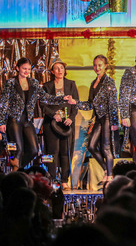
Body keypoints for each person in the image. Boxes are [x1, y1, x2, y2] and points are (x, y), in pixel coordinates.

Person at [0, 57, 69, 170]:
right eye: (24, 68)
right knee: (18, 149)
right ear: (17, 68)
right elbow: (3, 103)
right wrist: (2, 122)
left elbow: (45, 98)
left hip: (27, 120)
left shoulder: (34, 83)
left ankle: (18, 170)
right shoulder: (10, 83)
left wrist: (62, 98)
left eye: (28, 69)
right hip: (14, 120)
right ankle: (17, 172)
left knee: (34, 150)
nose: (26, 71)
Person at [68, 55, 119, 186]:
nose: (97, 68)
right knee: (91, 146)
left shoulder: (109, 82)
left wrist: (114, 122)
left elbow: (113, 103)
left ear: (105, 66)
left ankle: (109, 176)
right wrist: (76, 102)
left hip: (107, 117)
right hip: (98, 118)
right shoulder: (93, 83)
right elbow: (90, 104)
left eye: (100, 65)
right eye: (95, 65)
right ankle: (108, 171)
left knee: (106, 148)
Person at [41, 58, 79, 189]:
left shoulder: (71, 84)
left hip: (66, 123)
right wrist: (53, 114)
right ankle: (52, 179)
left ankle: (64, 180)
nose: (60, 70)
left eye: (62, 68)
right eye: (56, 68)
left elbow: (75, 104)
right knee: (53, 152)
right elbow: (43, 105)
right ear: (52, 71)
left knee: (66, 151)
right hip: (52, 123)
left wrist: (71, 118)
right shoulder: (47, 86)